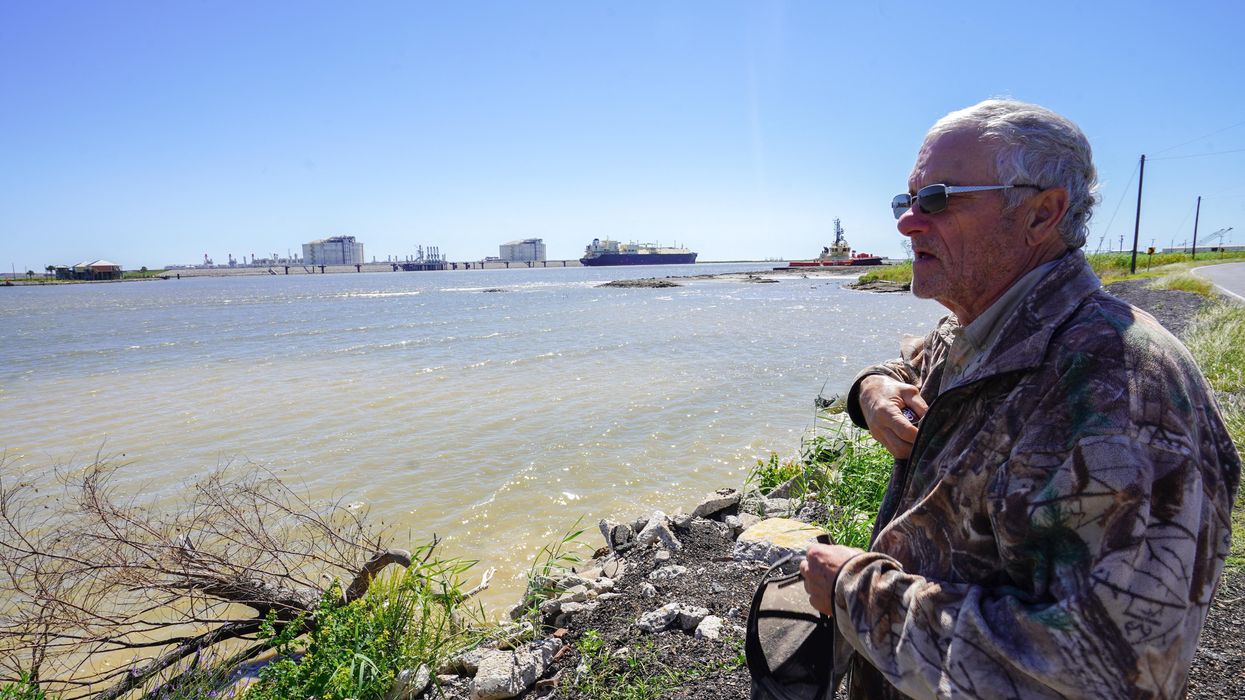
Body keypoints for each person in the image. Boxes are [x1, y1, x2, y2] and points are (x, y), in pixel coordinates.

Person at [800, 99, 1241, 699]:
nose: (907, 225)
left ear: (1041, 213)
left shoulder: (1121, 385)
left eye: (938, 199)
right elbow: (917, 359)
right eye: (907, 201)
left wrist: (856, 592)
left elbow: (1103, 674)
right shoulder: (984, 325)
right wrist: (870, 391)